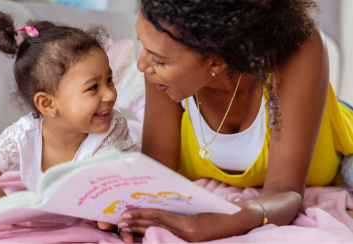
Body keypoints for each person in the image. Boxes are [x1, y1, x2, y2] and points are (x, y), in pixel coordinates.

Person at [98, 0, 353, 243]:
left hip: (339, 141)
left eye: (159, 59)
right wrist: (127, 213)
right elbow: (155, 177)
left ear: (216, 61)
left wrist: (232, 219)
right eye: (143, 44)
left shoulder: (299, 51)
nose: (142, 65)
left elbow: (285, 190)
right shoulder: (162, 77)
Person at [0, 11, 135, 207]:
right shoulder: (21, 137)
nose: (111, 95)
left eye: (109, 80)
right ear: (47, 104)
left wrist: (10, 205)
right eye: (93, 87)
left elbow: (104, 205)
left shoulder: (111, 137)